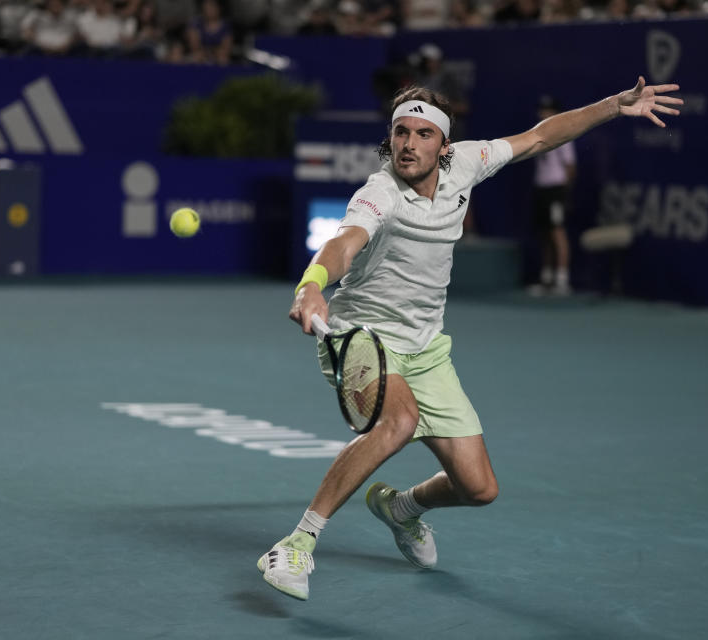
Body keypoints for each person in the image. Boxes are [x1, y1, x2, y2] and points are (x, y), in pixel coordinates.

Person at [260, 77, 683, 601]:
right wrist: (312, 286)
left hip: (426, 347)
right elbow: (343, 244)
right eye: (400, 132)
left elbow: (540, 137)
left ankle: (400, 508)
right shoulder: (379, 193)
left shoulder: (467, 162)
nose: (408, 144)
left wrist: (613, 108)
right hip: (360, 335)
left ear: (443, 145)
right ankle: (297, 543)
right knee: (399, 420)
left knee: (479, 488)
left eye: (421, 134)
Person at [529, 94, 577, 296]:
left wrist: (564, 193)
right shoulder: (537, 133)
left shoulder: (562, 135)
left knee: (557, 232)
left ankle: (562, 280)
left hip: (556, 190)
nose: (543, 113)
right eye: (542, 109)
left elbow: (571, 167)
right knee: (545, 233)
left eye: (548, 110)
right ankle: (547, 279)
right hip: (541, 189)